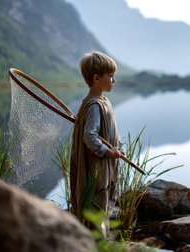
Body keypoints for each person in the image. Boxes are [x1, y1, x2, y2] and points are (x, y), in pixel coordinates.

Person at [70, 51, 122, 230]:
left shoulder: (104, 101)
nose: (114, 80)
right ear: (97, 78)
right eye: (110, 76)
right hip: (97, 168)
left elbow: (111, 132)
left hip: (107, 163)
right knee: (98, 202)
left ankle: (100, 239)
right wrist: (108, 152)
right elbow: (89, 137)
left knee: (106, 200)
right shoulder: (93, 105)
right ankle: (96, 240)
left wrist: (118, 148)